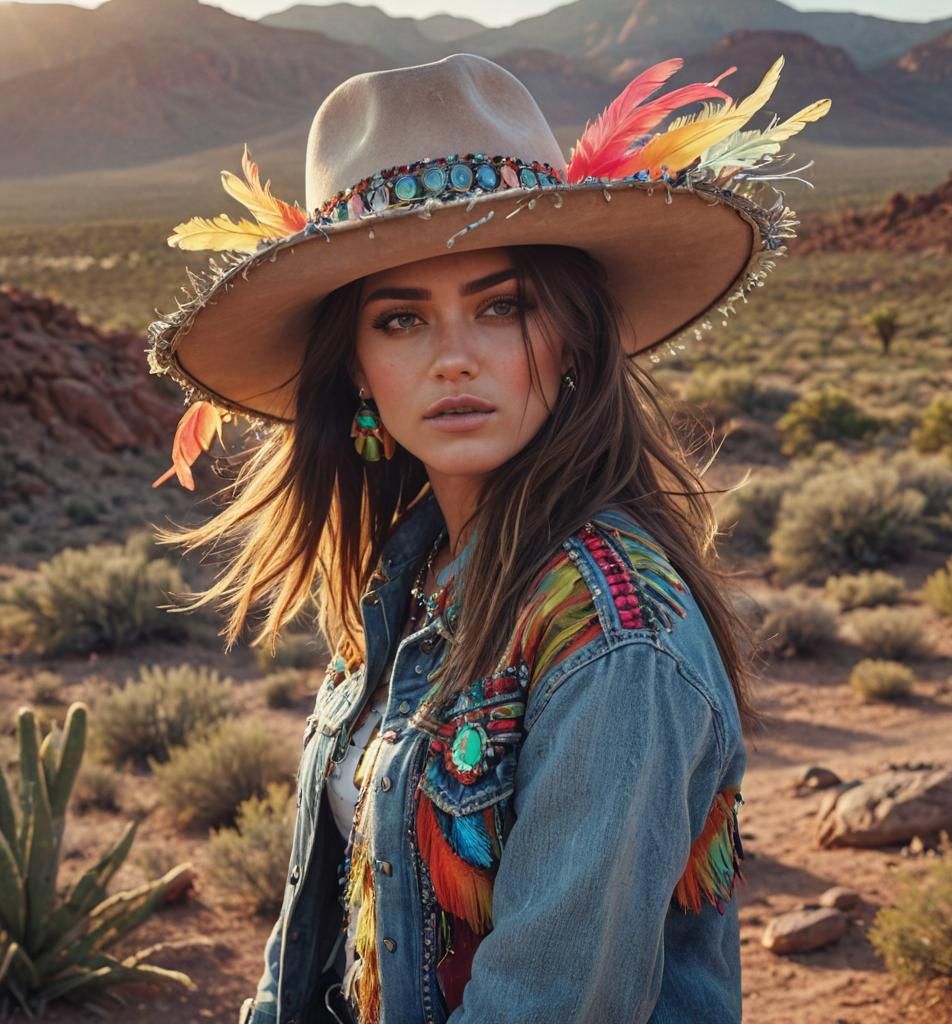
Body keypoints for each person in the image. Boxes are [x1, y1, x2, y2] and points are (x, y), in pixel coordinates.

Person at [147, 51, 829, 1024]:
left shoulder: (611, 633)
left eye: (501, 307)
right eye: (401, 319)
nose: (454, 357)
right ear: (356, 371)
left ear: (572, 340)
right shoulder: (412, 574)